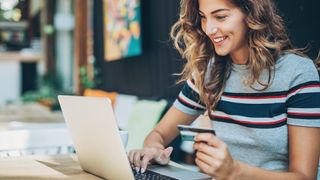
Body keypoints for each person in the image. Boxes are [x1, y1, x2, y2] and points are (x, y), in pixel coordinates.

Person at [128, 0, 320, 179]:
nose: (209, 29)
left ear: (251, 14)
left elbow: (304, 176)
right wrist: (153, 148)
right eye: (203, 17)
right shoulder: (208, 74)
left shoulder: (298, 73)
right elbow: (158, 134)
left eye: (220, 16)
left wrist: (234, 171)